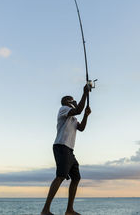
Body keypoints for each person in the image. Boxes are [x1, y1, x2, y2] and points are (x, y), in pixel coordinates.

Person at [41, 84, 92, 215]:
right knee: (60, 176)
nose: (73, 101)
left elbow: (81, 128)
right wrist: (85, 93)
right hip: (61, 146)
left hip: (69, 150)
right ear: (66, 102)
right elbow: (79, 109)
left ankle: (69, 210)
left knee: (76, 178)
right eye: (71, 100)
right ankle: (45, 210)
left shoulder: (73, 118)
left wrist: (86, 115)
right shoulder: (63, 109)